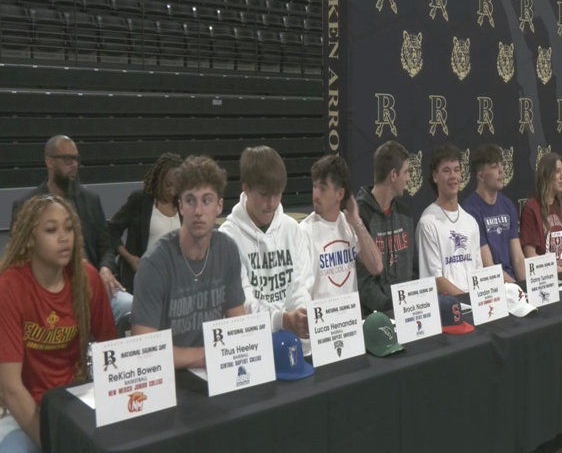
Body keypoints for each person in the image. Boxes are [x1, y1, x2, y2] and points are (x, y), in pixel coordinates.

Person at [0, 196, 117, 453]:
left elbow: (113, 353)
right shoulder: (10, 286)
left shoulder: (88, 280)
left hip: (76, 409)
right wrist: (55, 447)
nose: (63, 237)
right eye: (51, 230)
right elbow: (10, 388)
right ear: (30, 239)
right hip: (24, 413)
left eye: (69, 228)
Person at [130, 156, 245, 369]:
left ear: (219, 205)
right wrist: (209, 356)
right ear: (181, 206)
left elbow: (237, 328)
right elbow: (145, 352)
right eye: (190, 200)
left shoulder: (227, 249)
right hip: (169, 379)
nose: (198, 211)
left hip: (217, 371)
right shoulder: (154, 264)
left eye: (206, 200)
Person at [11, 135, 131, 323]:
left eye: (76, 159)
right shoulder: (27, 205)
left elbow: (106, 245)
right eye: (68, 159)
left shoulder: (91, 200)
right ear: (49, 162)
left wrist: (106, 268)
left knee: (131, 306)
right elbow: (19, 256)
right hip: (51, 290)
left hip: (94, 285)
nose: (74, 164)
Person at [219, 147, 313, 340]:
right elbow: (242, 305)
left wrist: (300, 319)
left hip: (293, 339)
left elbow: (301, 288)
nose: (271, 203)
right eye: (263, 194)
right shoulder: (228, 238)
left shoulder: (292, 229)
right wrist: (283, 320)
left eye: (277, 194)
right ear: (246, 188)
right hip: (251, 343)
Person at [301, 156, 383, 322]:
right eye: (314, 186)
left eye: (323, 188)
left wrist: (356, 221)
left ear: (340, 194)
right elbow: (302, 291)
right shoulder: (304, 230)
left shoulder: (349, 224)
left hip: (350, 323)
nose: (315, 194)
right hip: (322, 325)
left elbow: (376, 267)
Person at [102, 153, 183, 295]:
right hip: (142, 281)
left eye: (177, 186)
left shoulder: (182, 204)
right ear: (159, 179)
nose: (172, 191)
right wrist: (129, 258)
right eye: (168, 185)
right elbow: (111, 229)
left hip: (173, 282)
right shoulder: (141, 200)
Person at [356, 141, 418, 317]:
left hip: (407, 312)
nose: (408, 178)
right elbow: (362, 281)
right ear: (393, 175)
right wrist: (391, 307)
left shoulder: (405, 214)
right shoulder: (359, 216)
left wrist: (412, 304)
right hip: (375, 317)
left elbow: (414, 270)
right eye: (405, 172)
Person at [417, 143, 483, 295]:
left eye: (456, 170)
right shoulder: (428, 222)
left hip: (475, 306)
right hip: (447, 309)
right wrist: (467, 300)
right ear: (435, 176)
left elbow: (478, 272)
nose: (453, 176)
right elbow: (435, 279)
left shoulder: (470, 222)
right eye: (446, 171)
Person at [463, 144, 526, 283]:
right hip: (491, 286)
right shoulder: (470, 211)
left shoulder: (508, 205)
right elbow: (487, 265)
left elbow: (518, 258)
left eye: (501, 165)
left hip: (512, 283)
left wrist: (527, 288)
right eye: (494, 166)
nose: (501, 170)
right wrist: (516, 289)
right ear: (481, 176)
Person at [519, 152, 562, 272]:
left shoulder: (558, 206)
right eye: (557, 171)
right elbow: (531, 256)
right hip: (546, 279)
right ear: (546, 175)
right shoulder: (532, 209)